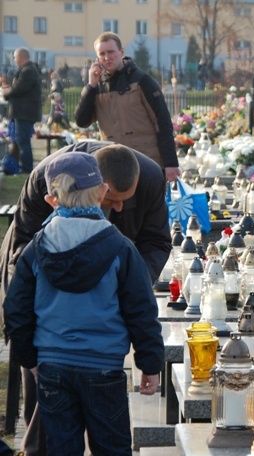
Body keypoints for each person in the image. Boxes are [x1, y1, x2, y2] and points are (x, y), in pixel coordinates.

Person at [0, 141, 171, 456]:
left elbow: (18, 310)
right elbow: (142, 310)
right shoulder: (121, 249)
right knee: (112, 446)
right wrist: (150, 364)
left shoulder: (37, 250)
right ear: (100, 192)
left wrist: (30, 358)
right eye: (113, 200)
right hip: (103, 366)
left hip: (52, 365)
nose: (119, 209)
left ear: (55, 200)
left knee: (61, 447)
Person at [74, 32, 180, 182]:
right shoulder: (97, 87)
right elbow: (81, 121)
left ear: (121, 52)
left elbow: (162, 122)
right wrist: (91, 86)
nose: (107, 57)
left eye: (111, 52)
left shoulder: (142, 80)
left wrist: (170, 163)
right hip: (113, 164)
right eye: (102, 53)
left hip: (147, 161)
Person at [1, 48, 42, 173]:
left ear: (21, 57)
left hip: (24, 112)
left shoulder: (28, 70)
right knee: (20, 140)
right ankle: (21, 167)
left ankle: (27, 169)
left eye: (15, 56)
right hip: (22, 111)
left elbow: (18, 88)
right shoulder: (27, 70)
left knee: (22, 141)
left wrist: (5, 92)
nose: (14, 59)